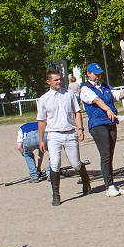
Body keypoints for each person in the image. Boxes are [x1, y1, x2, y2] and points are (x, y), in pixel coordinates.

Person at [37, 70, 91, 206]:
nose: (59, 82)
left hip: (70, 132)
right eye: (55, 80)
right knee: (55, 164)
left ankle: (86, 181)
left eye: (59, 79)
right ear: (48, 82)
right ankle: (56, 194)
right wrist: (41, 140)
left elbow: (77, 112)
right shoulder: (44, 99)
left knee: (75, 163)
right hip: (54, 134)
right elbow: (42, 121)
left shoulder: (69, 94)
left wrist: (80, 129)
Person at [79, 62, 124, 197]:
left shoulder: (105, 86)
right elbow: (96, 100)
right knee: (105, 154)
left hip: (110, 122)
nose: (98, 76)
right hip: (97, 123)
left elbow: (118, 96)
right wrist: (107, 109)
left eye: (99, 74)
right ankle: (109, 186)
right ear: (88, 74)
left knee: (110, 154)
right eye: (96, 74)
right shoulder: (85, 89)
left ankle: (112, 183)